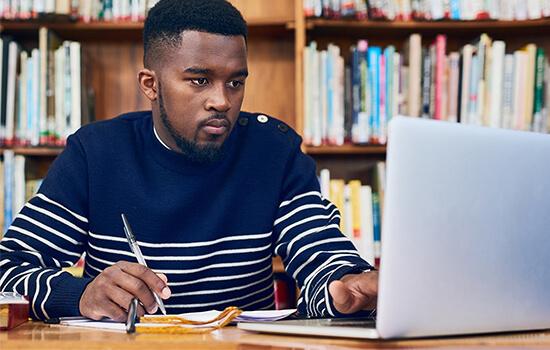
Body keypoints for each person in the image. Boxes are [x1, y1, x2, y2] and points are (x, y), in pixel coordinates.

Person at [0, 0, 378, 322]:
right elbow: (7, 269)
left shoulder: (274, 150)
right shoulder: (95, 153)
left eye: (235, 81)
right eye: (199, 80)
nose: (222, 101)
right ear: (150, 84)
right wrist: (81, 295)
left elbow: (319, 254)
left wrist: (346, 286)